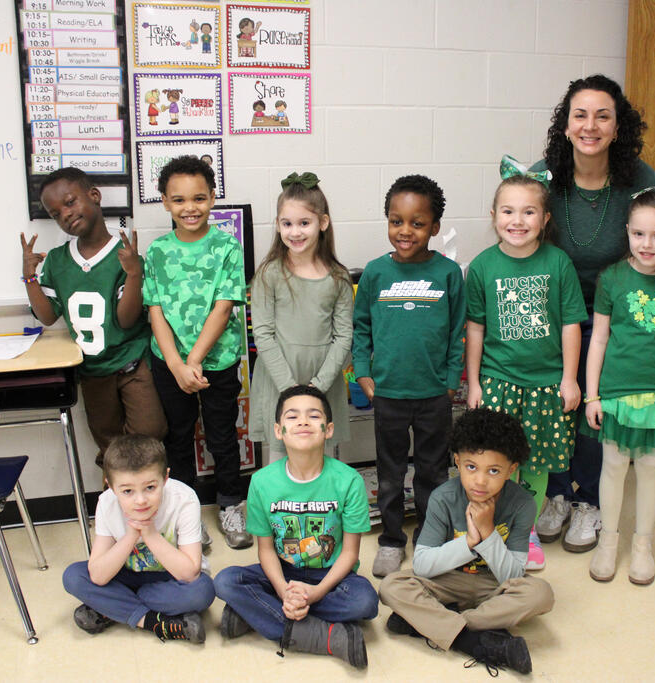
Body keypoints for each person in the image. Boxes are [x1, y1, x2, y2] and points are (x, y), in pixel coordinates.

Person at [528, 75, 655, 554]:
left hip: (613, 315)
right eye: (580, 115)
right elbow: (517, 234)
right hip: (551, 312)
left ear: (618, 126)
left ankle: (589, 499)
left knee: (592, 406)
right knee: (551, 402)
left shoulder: (640, 180)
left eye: (603, 116)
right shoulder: (542, 178)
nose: (591, 126)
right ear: (565, 125)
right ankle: (557, 493)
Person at [465, 156, 587, 570]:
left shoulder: (558, 263)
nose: (517, 221)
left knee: (535, 463)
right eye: (508, 211)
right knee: (497, 462)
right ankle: (493, 530)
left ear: (545, 218)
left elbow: (571, 325)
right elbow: (475, 328)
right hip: (498, 381)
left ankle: (526, 531)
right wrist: (475, 382)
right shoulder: (483, 266)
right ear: (494, 215)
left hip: (546, 384)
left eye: (529, 212)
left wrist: (569, 379)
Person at [580, 189, 655, 585]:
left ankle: (642, 544)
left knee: (649, 468)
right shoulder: (613, 278)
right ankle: (608, 541)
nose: (647, 244)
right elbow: (599, 339)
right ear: (628, 232)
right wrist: (592, 395)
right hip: (615, 395)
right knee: (614, 466)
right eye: (639, 234)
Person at [379, 408, 554, 675]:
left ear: (511, 470)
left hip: (493, 584)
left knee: (541, 594)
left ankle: (435, 622)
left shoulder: (523, 504)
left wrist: (488, 532)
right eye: (471, 467)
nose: (480, 481)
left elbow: (514, 575)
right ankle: (471, 638)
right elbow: (423, 565)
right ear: (458, 462)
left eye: (493, 470)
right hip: (447, 579)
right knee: (391, 586)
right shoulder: (443, 498)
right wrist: (470, 541)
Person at [213, 385, 377, 669]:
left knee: (365, 602)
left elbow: (350, 553)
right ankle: (323, 636)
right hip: (283, 572)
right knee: (225, 581)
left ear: (328, 429)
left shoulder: (348, 480)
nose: (303, 421)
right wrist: (281, 590)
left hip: (330, 575)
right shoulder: (262, 482)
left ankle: (255, 615)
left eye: (313, 416)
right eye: (292, 416)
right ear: (279, 431)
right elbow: (265, 550)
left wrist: (316, 592)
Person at [352, 174, 465, 578]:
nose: (405, 231)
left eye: (417, 223)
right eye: (396, 221)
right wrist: (363, 372)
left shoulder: (448, 273)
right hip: (389, 394)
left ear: (434, 227)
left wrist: (451, 381)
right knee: (391, 473)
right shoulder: (375, 273)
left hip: (434, 394)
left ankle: (429, 538)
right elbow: (361, 327)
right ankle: (391, 540)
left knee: (433, 472)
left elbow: (457, 332)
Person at [22, 167, 166, 470]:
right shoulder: (58, 260)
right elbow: (47, 316)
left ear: (95, 196)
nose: (65, 214)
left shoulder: (124, 255)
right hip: (92, 370)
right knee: (108, 440)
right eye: (56, 213)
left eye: (70, 202)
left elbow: (126, 321)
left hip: (131, 361)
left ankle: (145, 483)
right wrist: (30, 277)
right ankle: (117, 487)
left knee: (150, 430)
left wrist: (134, 274)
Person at [143, 156, 249, 550]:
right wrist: (176, 364)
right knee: (178, 436)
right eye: (179, 199)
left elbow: (223, 307)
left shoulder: (227, 247)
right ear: (165, 202)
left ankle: (230, 504)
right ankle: (186, 513)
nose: (190, 207)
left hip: (216, 362)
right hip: (169, 363)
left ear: (213, 198)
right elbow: (155, 310)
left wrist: (194, 361)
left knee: (222, 435)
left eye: (199, 198)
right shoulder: (156, 251)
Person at [61, 434, 215, 643]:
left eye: (150, 487)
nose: (140, 500)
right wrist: (132, 535)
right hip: (125, 575)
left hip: (169, 579)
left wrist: (149, 534)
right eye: (127, 491)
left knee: (202, 592)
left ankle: (113, 607)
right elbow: (98, 575)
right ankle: (154, 622)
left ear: (165, 478)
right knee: (73, 576)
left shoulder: (184, 499)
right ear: (111, 487)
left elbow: (189, 573)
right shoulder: (106, 503)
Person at [248, 171, 353, 458]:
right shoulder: (269, 274)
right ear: (278, 225)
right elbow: (263, 335)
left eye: (304, 223)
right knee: (280, 460)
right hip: (279, 380)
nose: (295, 232)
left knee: (322, 458)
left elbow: (344, 337)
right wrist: (289, 388)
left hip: (323, 382)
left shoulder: (338, 277)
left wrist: (318, 387)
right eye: (287, 223)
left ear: (323, 223)